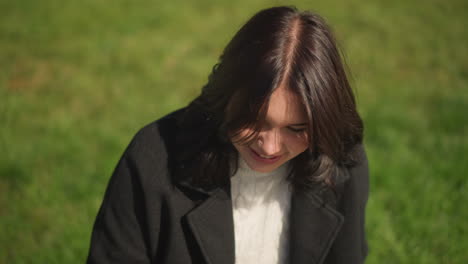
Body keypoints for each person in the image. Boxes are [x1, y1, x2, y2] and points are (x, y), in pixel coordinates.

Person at [87, 5, 369, 264]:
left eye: (296, 129)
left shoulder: (342, 160)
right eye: (255, 121)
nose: (270, 147)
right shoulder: (152, 160)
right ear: (226, 96)